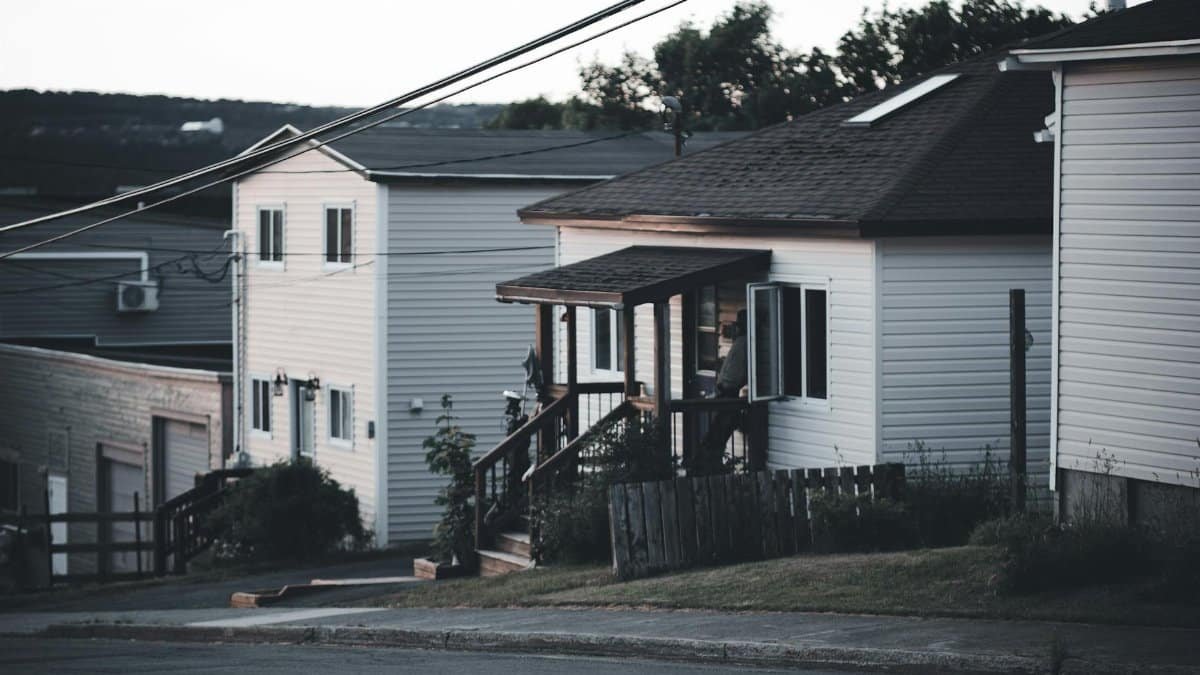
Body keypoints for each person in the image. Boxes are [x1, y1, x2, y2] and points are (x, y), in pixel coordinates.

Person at [694, 310, 748, 474]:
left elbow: (743, 371)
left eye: (739, 326)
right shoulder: (740, 343)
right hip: (724, 391)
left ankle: (709, 463)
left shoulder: (745, 343)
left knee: (719, 431)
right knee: (717, 431)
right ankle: (706, 462)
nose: (736, 329)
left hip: (730, 392)